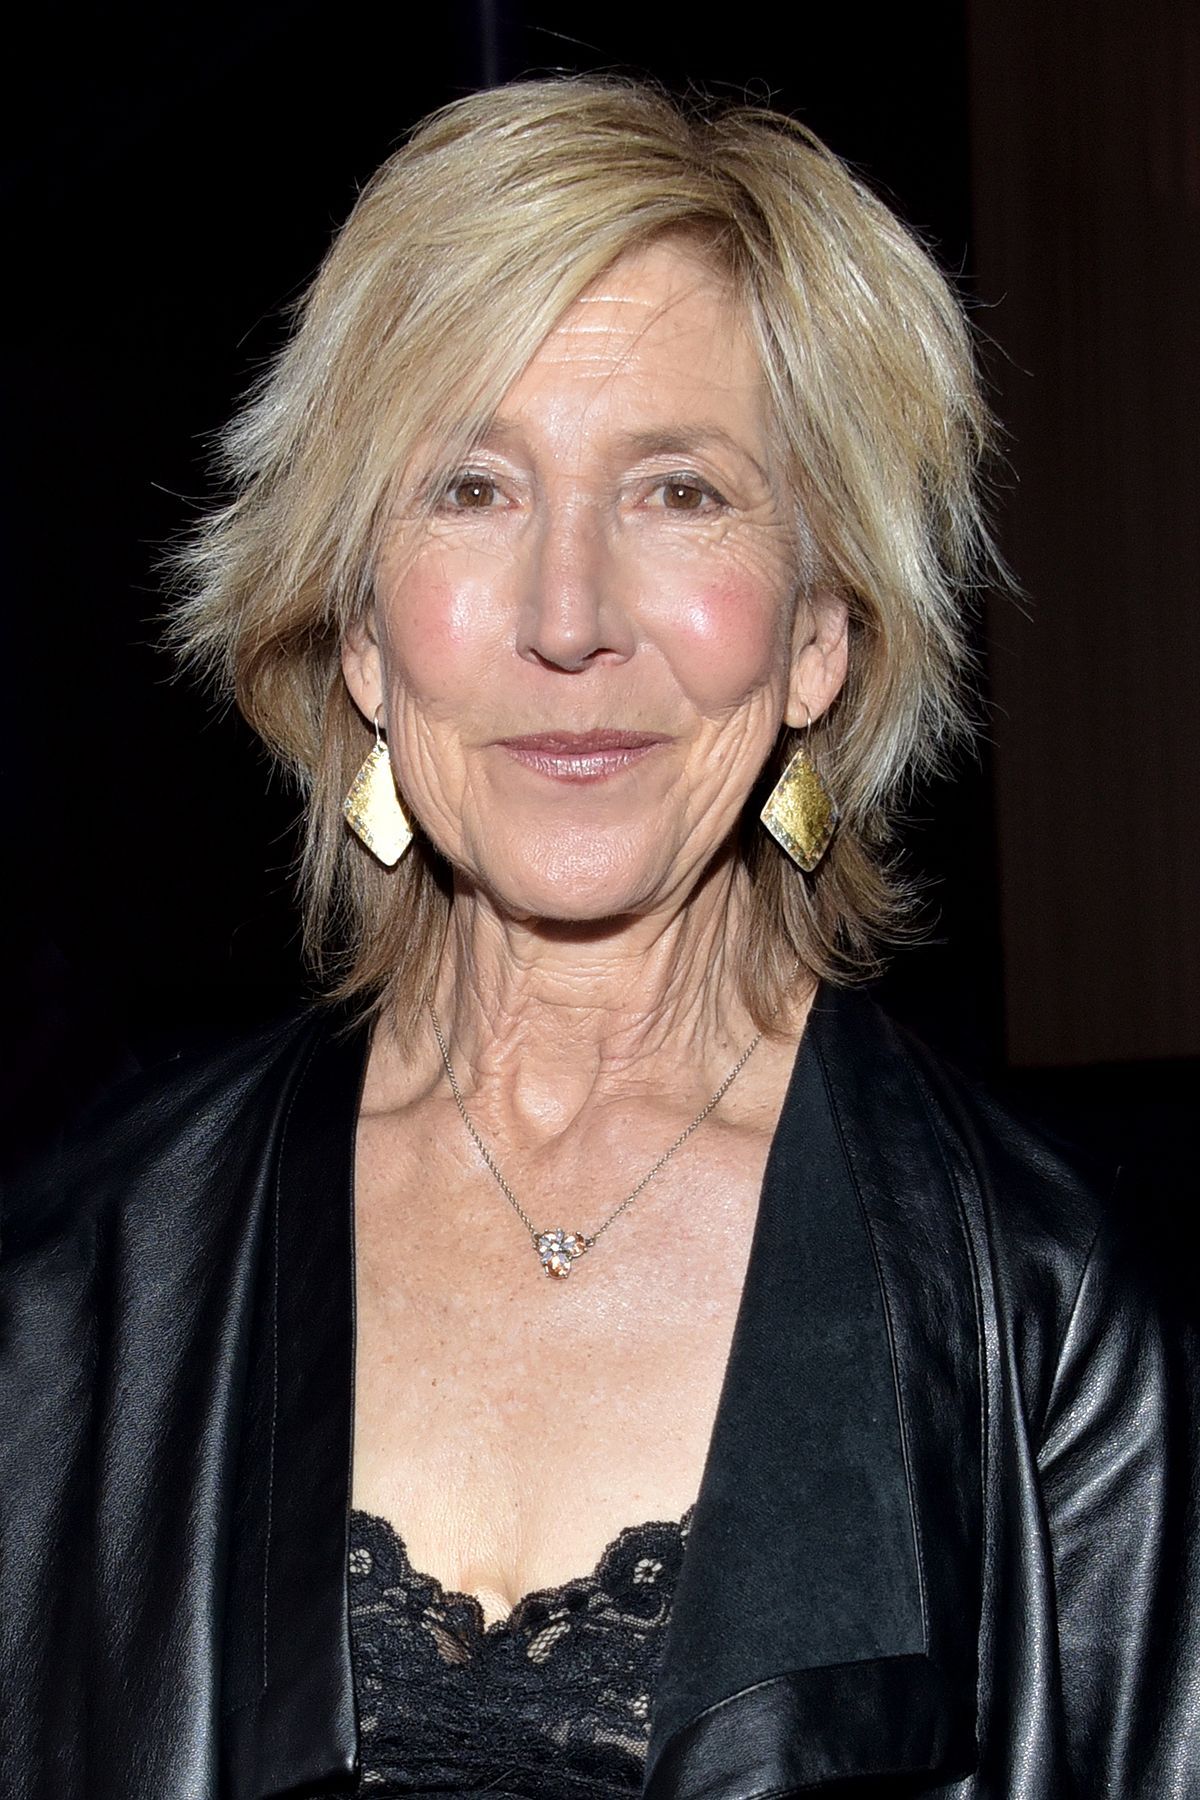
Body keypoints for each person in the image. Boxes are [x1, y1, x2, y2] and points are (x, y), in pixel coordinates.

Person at [2, 76, 1195, 1800]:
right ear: (361, 631)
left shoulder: (1054, 1328)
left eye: (679, 492)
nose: (569, 619)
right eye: (474, 489)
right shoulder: (83, 1278)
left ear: (819, 631)